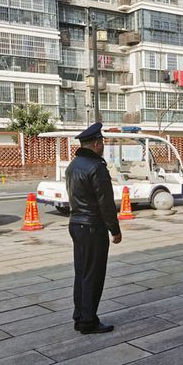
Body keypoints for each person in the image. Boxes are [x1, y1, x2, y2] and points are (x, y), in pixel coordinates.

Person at [65, 122, 122, 334]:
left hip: (76, 224)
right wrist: (114, 229)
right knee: (93, 274)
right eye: (102, 142)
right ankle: (88, 320)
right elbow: (105, 203)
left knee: (81, 272)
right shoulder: (96, 167)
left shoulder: (73, 165)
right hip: (92, 226)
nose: (103, 146)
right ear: (97, 144)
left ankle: (80, 315)